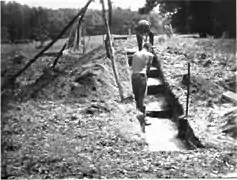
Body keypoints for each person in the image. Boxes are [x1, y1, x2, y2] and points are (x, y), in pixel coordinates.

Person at [131, 42, 154, 120]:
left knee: (136, 96)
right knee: (142, 97)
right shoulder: (149, 55)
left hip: (133, 76)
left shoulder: (135, 54)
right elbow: (148, 68)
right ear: (149, 48)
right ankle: (143, 118)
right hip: (141, 77)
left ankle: (137, 114)